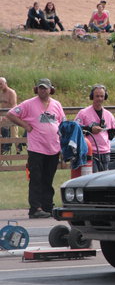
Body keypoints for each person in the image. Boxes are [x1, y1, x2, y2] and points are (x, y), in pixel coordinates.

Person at [6, 78, 65, 218]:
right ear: (36, 89)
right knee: (36, 178)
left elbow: (62, 123)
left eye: (45, 88)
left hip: (53, 147)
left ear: (51, 89)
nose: (43, 90)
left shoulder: (56, 104)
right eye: (40, 88)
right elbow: (10, 114)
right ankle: (35, 208)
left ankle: (48, 206)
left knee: (48, 178)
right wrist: (25, 126)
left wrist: (62, 144)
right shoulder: (29, 104)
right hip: (37, 148)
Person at [75, 85, 115, 172]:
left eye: (102, 96)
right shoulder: (83, 113)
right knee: (93, 179)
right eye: (97, 96)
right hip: (90, 152)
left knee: (104, 179)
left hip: (105, 153)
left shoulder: (108, 114)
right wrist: (90, 130)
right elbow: (76, 128)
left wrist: (106, 138)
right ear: (92, 96)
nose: (99, 98)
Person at [0, 77, 18, 155]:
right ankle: (3, 147)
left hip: (12, 115)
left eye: (1, 84)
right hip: (4, 116)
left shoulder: (11, 92)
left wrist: (6, 116)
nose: (0, 86)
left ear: (5, 83)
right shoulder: (1, 94)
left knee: (14, 135)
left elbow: (13, 106)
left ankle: (18, 150)